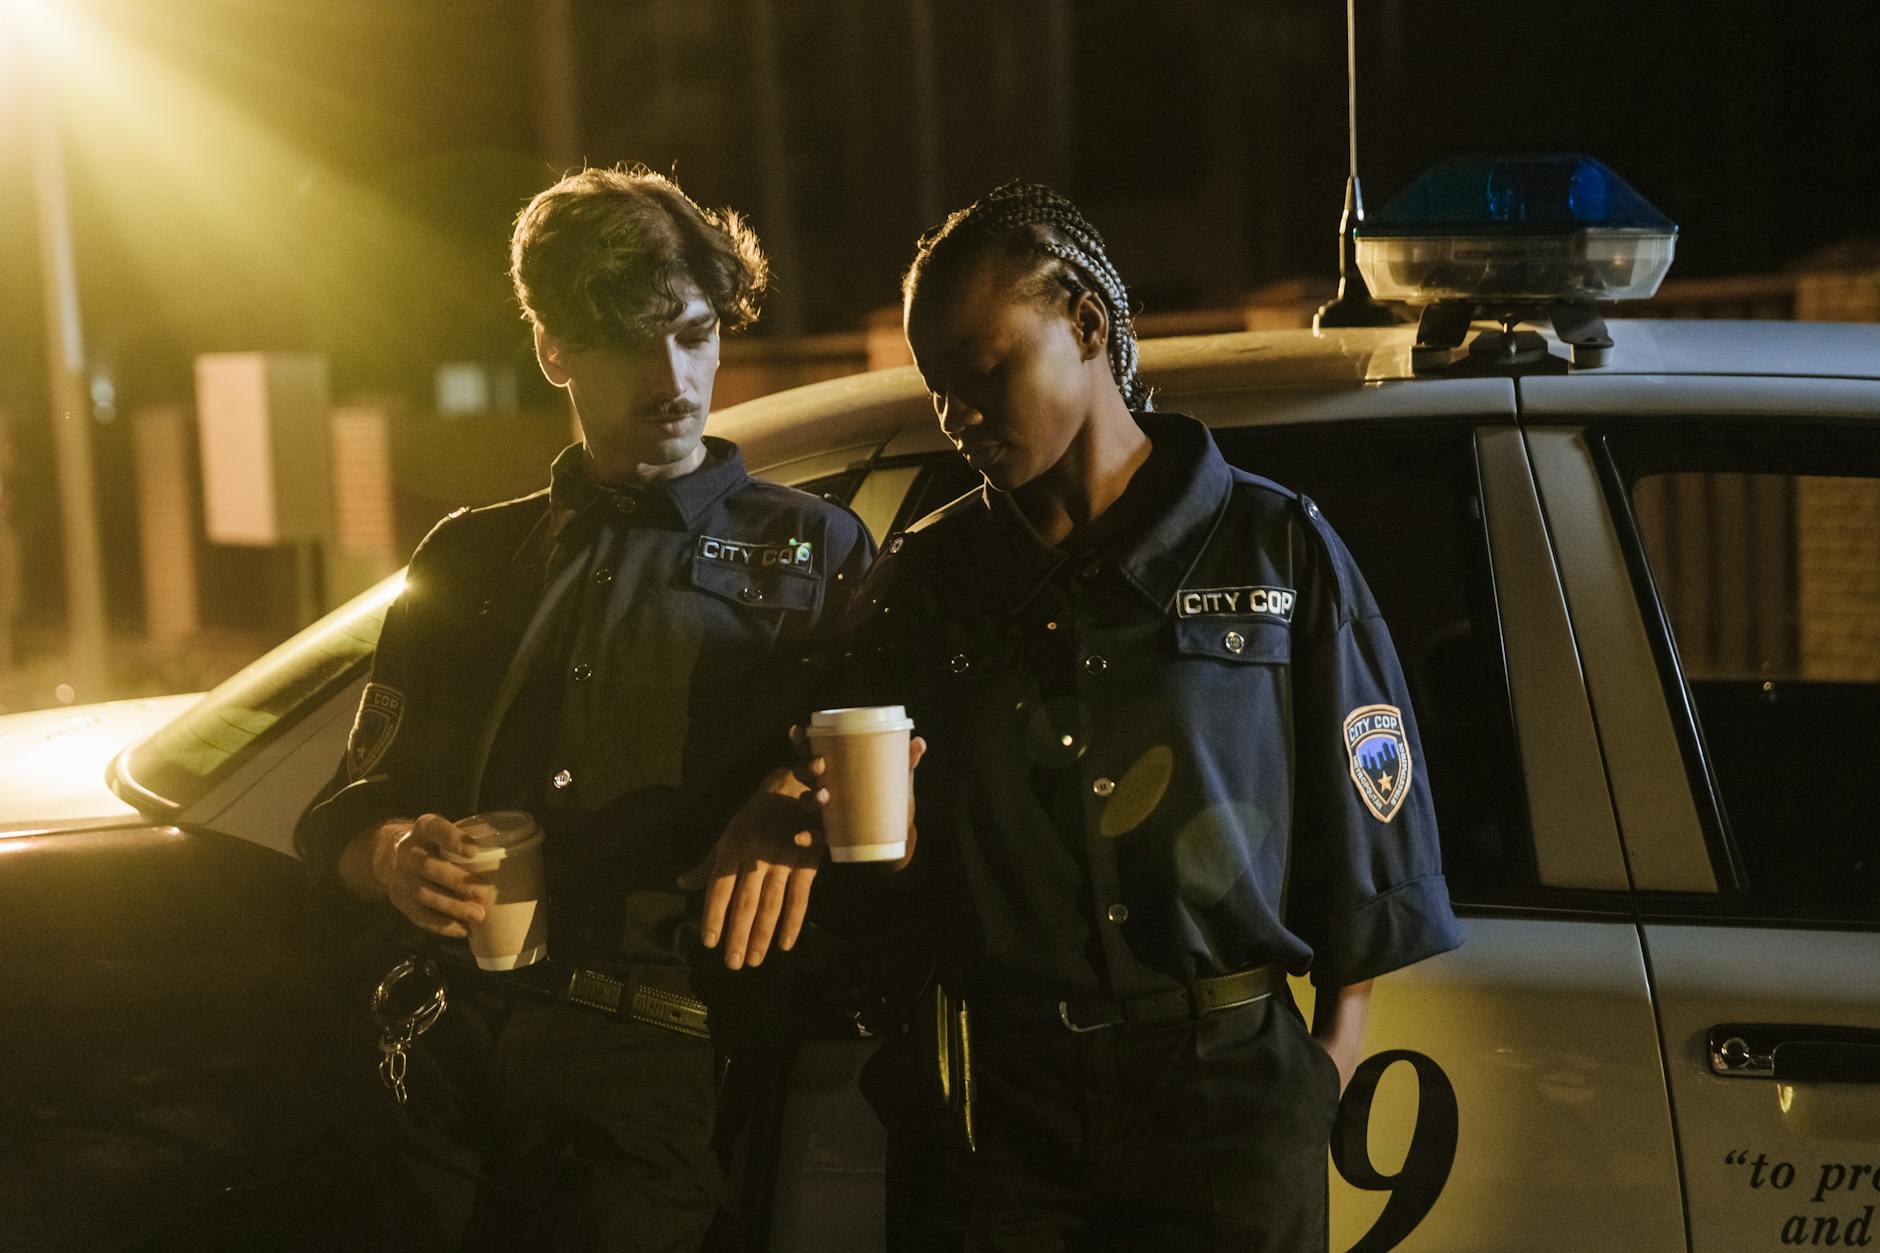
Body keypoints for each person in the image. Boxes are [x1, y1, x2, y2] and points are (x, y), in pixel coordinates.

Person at [775, 182, 1465, 1250]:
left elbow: (1368, 841)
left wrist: (1315, 1071)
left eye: (981, 370)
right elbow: (865, 876)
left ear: (1086, 324)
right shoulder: (925, 580)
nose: (957, 415)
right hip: (995, 1118)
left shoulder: (1274, 549)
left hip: (1221, 1102)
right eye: (936, 387)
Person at [294, 165, 868, 1251]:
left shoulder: (812, 550)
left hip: (652, 1056)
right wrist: (388, 854)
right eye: (625, 342)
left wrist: (799, 787)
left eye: (694, 333)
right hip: (445, 1050)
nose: (672, 377)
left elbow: (891, 779)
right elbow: (343, 805)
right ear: (555, 349)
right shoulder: (469, 556)